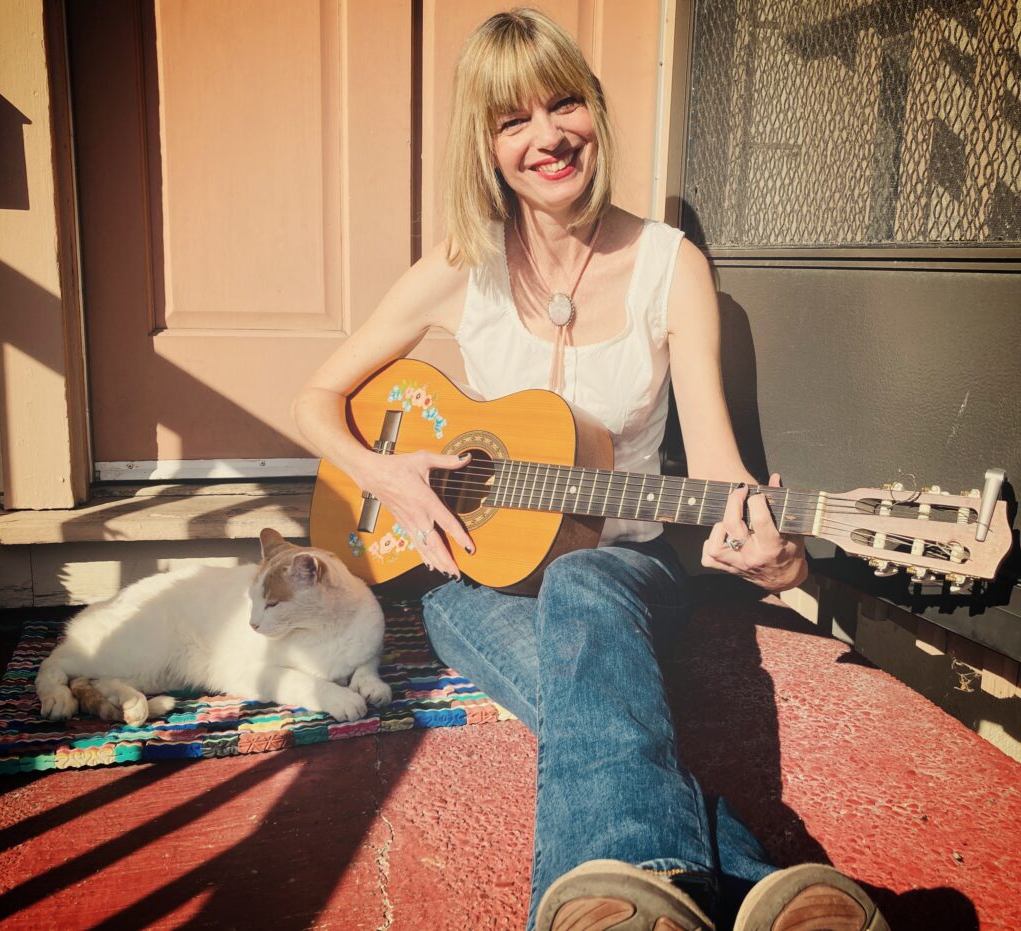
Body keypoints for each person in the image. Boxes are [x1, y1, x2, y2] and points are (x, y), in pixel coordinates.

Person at [294, 8, 889, 931]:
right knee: (598, 710)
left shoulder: (669, 267)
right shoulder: (463, 263)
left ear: (594, 111)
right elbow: (315, 400)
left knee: (581, 582)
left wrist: (776, 558)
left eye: (563, 104)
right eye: (512, 121)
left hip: (627, 569)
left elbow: (725, 476)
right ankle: (754, 884)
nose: (546, 137)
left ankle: (626, 895)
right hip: (466, 577)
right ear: (485, 144)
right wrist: (387, 475)